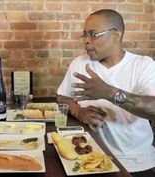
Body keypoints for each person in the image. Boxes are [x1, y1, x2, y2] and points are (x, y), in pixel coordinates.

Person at [57, 9, 155, 176]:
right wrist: (79, 111)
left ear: (116, 35)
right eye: (84, 35)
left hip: (135, 162)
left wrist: (109, 93)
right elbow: (62, 97)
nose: (86, 41)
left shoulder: (143, 65)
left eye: (93, 34)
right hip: (87, 158)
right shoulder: (79, 63)